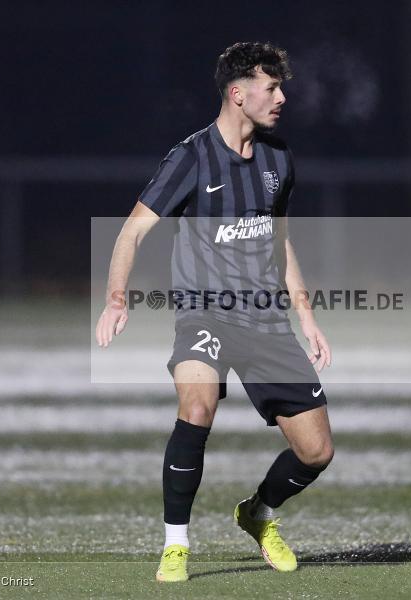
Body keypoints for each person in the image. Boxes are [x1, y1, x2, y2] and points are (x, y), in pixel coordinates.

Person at [95, 42, 333, 583]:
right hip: (204, 314)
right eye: (271, 87)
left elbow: (279, 240)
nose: (281, 97)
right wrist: (116, 298)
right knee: (198, 406)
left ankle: (258, 513)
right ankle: (176, 544)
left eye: (280, 87)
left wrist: (307, 316)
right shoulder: (191, 157)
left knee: (316, 451)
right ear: (238, 94)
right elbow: (132, 231)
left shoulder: (278, 159)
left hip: (265, 321)